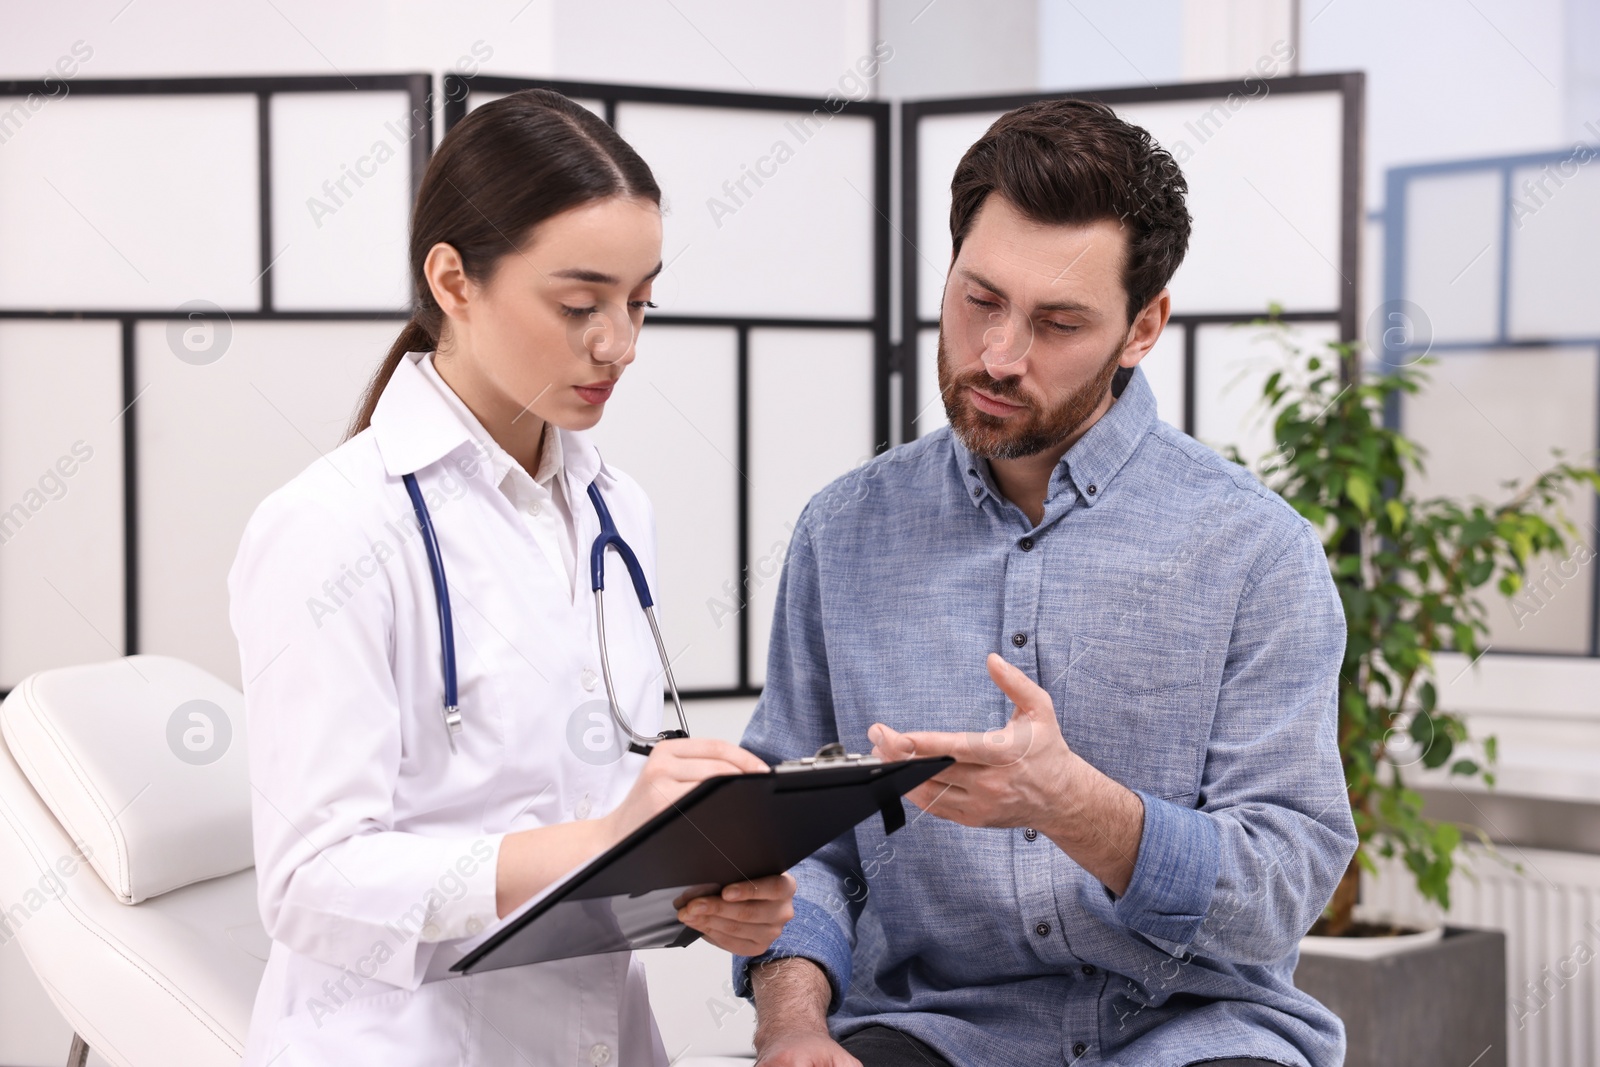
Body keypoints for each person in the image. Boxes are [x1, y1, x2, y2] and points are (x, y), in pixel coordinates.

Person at [732, 98, 1359, 1067]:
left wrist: (1074, 803)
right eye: (979, 299)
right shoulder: (843, 532)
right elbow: (799, 838)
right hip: (931, 1027)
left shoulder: (1255, 551)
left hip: (1196, 1031)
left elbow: (1279, 884)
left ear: (1141, 326)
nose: (998, 356)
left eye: (1058, 322)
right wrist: (793, 1026)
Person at [227, 89, 794, 1067]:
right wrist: (604, 838)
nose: (618, 342)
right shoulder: (330, 526)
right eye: (579, 304)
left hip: (598, 1036)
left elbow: (591, 790)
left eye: (639, 300)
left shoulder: (616, 509)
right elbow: (310, 877)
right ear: (452, 278)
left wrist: (704, 882)